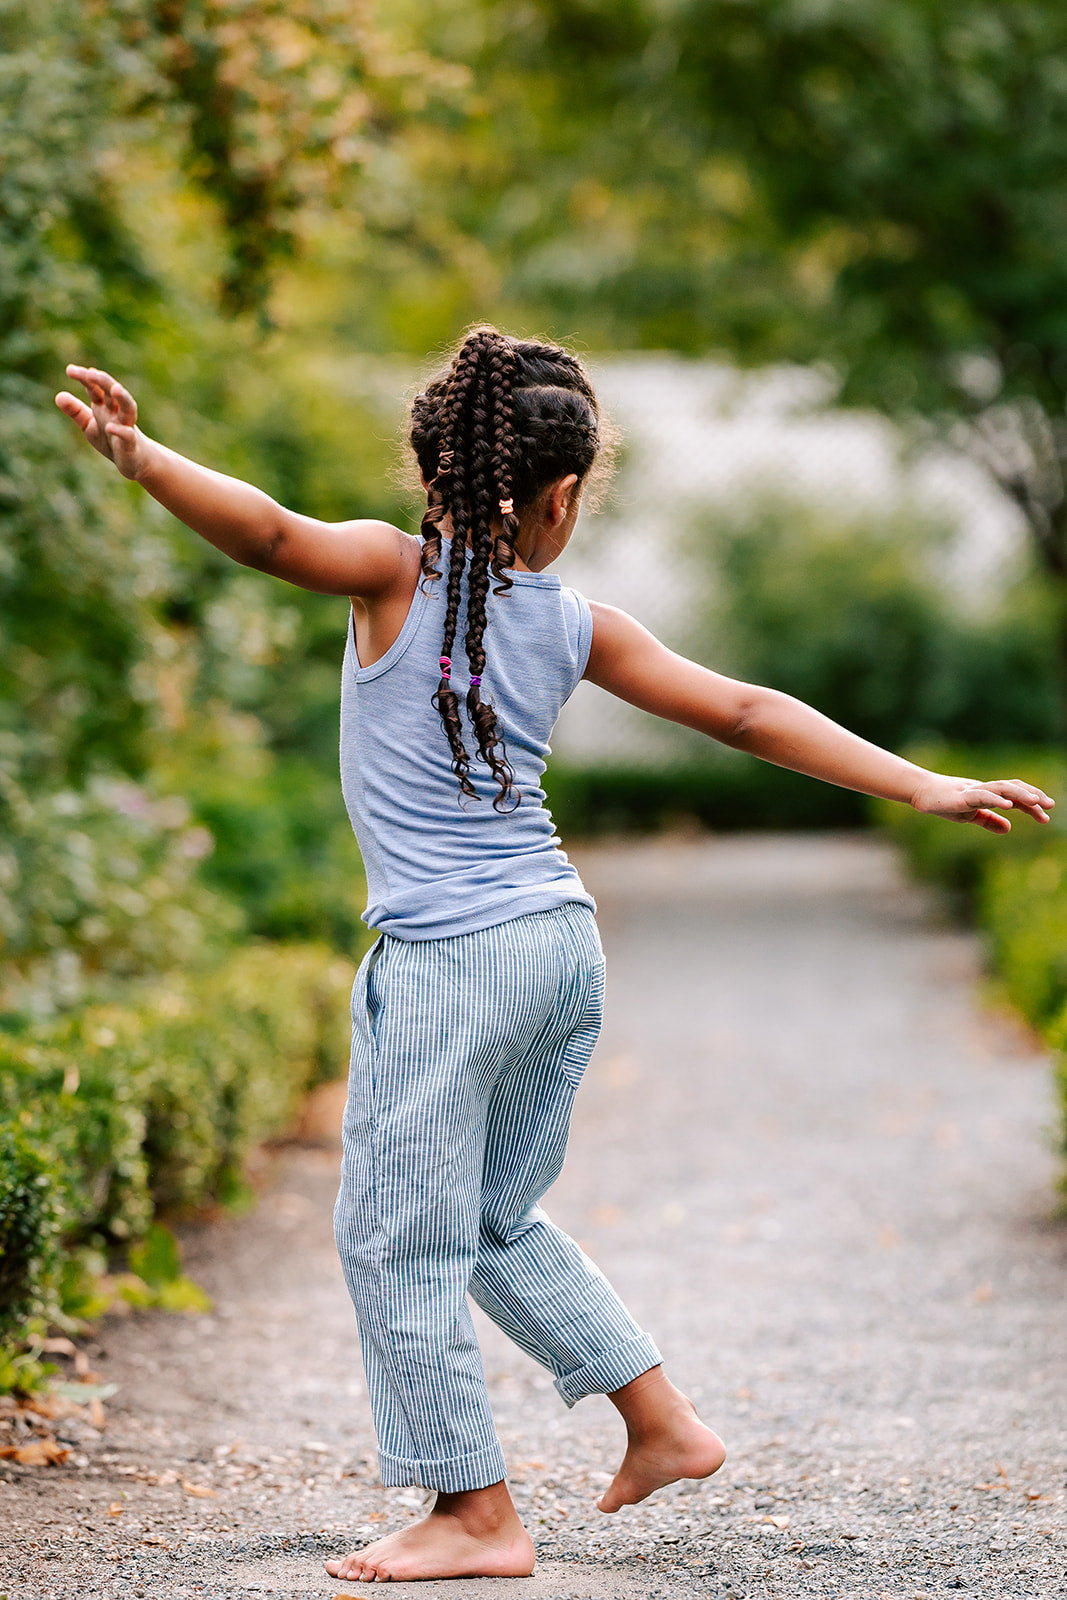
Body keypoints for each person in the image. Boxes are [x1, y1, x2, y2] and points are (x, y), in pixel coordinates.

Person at [56, 328, 1053, 1585]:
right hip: (553, 946)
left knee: (392, 1234)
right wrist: (922, 784)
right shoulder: (576, 620)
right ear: (561, 497)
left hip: (443, 961)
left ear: (434, 465)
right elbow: (745, 711)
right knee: (483, 1218)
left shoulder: (388, 573)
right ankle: (661, 1422)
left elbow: (263, 532)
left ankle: (471, 1510)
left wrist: (145, 459)